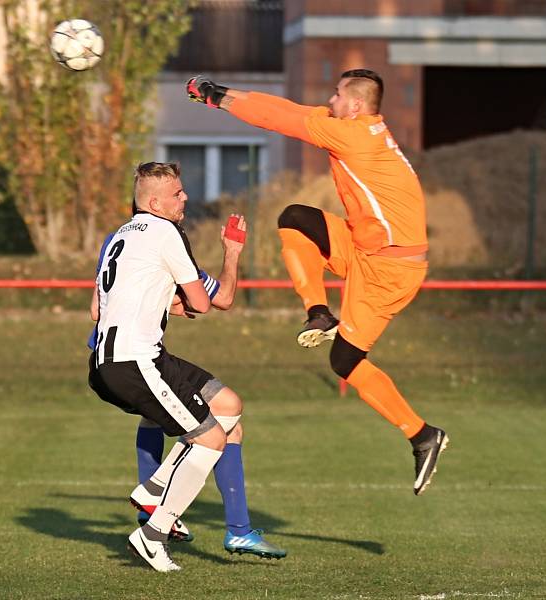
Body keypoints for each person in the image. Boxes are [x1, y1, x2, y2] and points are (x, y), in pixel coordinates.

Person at [186, 70, 448, 495]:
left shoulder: (354, 137)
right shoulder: (350, 125)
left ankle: (421, 435)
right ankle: (319, 312)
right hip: (367, 248)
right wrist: (219, 91)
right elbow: (285, 110)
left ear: (356, 105)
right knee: (295, 220)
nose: (330, 98)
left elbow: (278, 121)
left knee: (344, 362)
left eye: (338, 93)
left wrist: (215, 98)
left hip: (389, 269)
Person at [88, 162, 281, 572]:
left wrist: (166, 301)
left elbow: (96, 309)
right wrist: (231, 254)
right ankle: (153, 534)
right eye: (178, 193)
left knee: (228, 405)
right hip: (134, 361)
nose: (185, 198)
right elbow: (207, 303)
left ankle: (154, 490)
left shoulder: (117, 237)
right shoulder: (167, 233)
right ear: (155, 203)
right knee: (210, 440)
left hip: (111, 359)